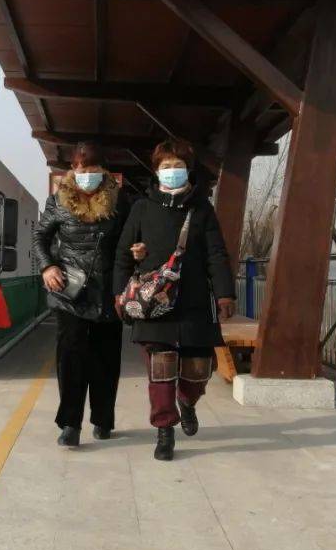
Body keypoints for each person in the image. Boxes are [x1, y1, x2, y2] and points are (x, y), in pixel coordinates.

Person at [113, 139, 235, 461]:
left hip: (194, 302)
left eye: (178, 166)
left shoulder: (202, 208)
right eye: (166, 166)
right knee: (161, 369)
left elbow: (216, 254)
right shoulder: (141, 207)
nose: (172, 171)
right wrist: (119, 292)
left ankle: (188, 401)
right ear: (156, 171)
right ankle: (164, 431)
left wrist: (224, 293)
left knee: (199, 369)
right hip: (155, 304)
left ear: (188, 170)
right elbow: (123, 254)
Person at [32, 141, 129, 448]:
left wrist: (138, 252)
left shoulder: (121, 201)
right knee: (71, 359)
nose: (87, 174)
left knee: (106, 359)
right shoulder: (58, 201)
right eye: (82, 168)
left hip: (109, 291)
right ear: (73, 169)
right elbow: (40, 237)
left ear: (104, 170)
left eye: (94, 169)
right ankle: (70, 424)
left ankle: (103, 419)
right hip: (69, 292)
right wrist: (47, 266)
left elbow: (132, 238)